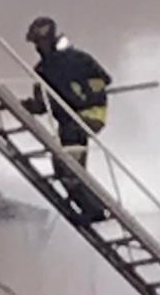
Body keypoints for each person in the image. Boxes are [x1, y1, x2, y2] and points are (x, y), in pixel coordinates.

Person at [22, 16, 112, 225]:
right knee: (68, 167)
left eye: (40, 41)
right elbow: (42, 103)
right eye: (37, 42)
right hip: (78, 120)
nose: (39, 46)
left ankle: (95, 210)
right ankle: (91, 206)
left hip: (81, 119)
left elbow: (102, 80)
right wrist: (31, 106)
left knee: (68, 168)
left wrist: (80, 95)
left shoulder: (71, 60)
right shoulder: (49, 67)